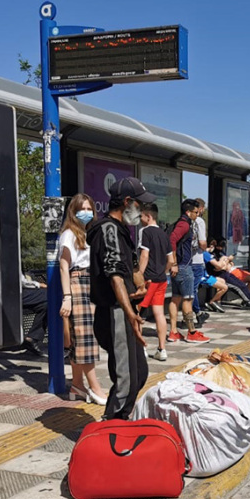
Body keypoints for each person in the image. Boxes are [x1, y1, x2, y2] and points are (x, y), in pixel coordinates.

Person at [88, 177, 154, 420]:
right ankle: (110, 425)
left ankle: (119, 421)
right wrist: (129, 313)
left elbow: (131, 269)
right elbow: (115, 275)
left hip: (125, 311)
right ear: (127, 202)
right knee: (126, 380)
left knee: (140, 373)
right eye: (140, 204)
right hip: (115, 312)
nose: (142, 210)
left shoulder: (121, 230)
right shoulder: (108, 230)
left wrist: (140, 287)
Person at [58, 193, 106, 405]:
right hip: (78, 282)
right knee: (85, 337)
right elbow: (64, 266)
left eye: (89, 209)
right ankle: (95, 388)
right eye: (82, 209)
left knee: (81, 337)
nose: (86, 213)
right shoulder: (69, 234)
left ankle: (77, 385)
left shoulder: (87, 233)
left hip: (89, 282)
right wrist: (67, 297)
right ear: (73, 211)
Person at [168, 199, 209, 344]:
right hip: (184, 266)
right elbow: (172, 240)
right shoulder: (184, 224)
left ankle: (173, 332)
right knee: (188, 299)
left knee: (176, 298)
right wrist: (174, 262)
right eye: (195, 212)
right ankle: (192, 332)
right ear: (188, 212)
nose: (197, 215)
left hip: (179, 266)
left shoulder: (181, 223)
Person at [137, 203, 174, 361]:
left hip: (148, 279)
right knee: (159, 313)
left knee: (138, 313)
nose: (140, 219)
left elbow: (144, 255)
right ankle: (162, 349)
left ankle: (142, 348)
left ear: (148, 216)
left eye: (141, 216)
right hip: (161, 279)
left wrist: (139, 275)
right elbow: (171, 260)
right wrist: (163, 271)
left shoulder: (144, 231)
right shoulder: (164, 234)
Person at [190, 198, 209, 318]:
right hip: (197, 260)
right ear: (200, 208)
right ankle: (198, 312)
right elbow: (202, 242)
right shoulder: (200, 221)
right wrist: (206, 248)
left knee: (188, 290)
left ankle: (192, 314)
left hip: (186, 260)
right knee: (193, 289)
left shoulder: (186, 221)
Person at [21, 273, 48, 356]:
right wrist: (39, 284)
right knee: (50, 296)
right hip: (14, 293)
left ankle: (32, 337)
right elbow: (21, 282)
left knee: (45, 305)